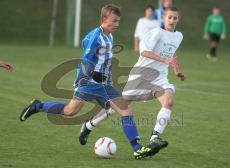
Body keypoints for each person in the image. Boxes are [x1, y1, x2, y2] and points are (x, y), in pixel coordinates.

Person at [19, 4, 152, 160]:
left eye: (118, 21)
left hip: (104, 85)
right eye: (114, 21)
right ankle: (38, 106)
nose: (117, 24)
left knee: (124, 110)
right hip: (89, 82)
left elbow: (99, 57)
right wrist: (92, 75)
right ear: (104, 19)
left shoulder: (108, 36)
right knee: (70, 111)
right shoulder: (95, 36)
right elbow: (86, 60)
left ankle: (137, 149)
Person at [80, 6, 185, 157]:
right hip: (141, 76)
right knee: (120, 106)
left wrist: (177, 71)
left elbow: (172, 53)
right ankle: (89, 125)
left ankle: (154, 138)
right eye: (170, 17)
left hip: (160, 77)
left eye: (175, 18)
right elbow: (144, 52)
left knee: (168, 101)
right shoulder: (155, 33)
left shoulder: (178, 36)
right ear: (164, 18)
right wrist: (164, 59)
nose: (172, 20)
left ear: (178, 19)